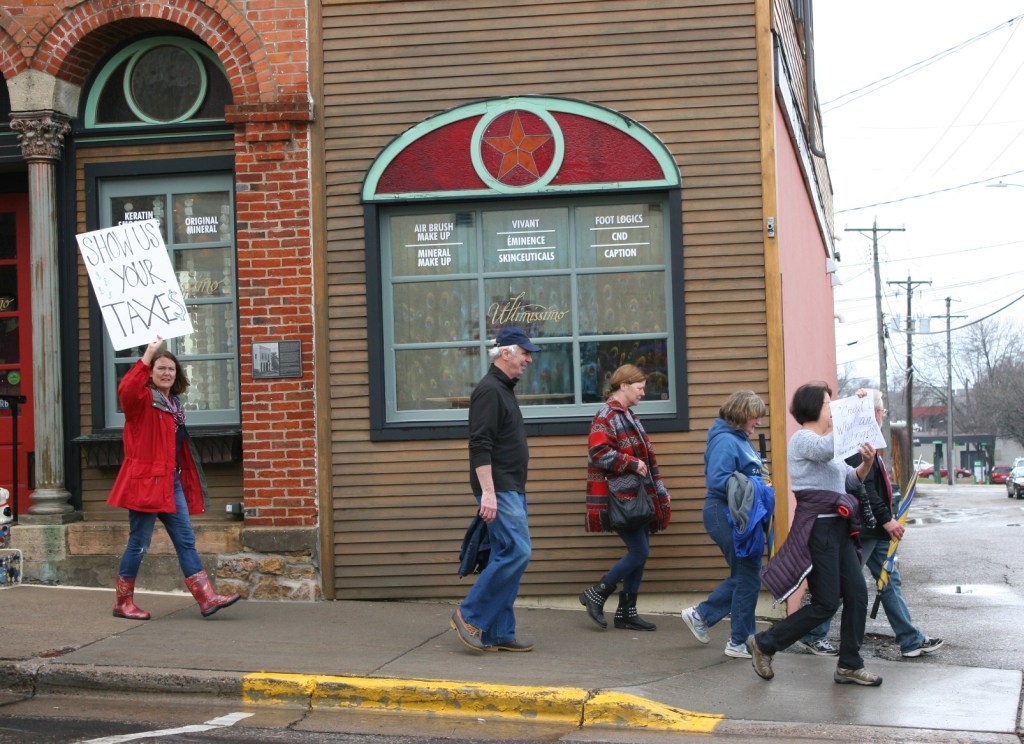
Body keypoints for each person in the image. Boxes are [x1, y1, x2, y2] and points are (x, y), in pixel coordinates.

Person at [749, 382, 883, 686]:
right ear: (812, 407)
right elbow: (826, 451)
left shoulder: (827, 444)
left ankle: (849, 664)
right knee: (825, 603)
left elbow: (849, 481)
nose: (832, 410)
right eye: (828, 404)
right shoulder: (803, 440)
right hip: (819, 528)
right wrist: (855, 410)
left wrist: (866, 464)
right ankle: (765, 643)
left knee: (857, 594)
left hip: (838, 527)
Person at [110, 336, 240, 620]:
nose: (167, 373)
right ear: (150, 373)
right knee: (139, 543)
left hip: (171, 483)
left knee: (185, 539)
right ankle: (123, 602)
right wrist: (148, 354)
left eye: (171, 369)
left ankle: (206, 598)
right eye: (161, 368)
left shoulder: (174, 404)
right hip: (146, 483)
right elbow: (127, 389)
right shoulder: (142, 400)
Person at [450, 327, 539, 652]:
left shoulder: (503, 389)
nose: (529, 359)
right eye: (524, 353)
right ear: (506, 353)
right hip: (499, 489)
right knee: (517, 551)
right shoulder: (489, 390)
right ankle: (469, 615)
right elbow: (480, 444)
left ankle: (499, 632)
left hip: (510, 487)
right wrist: (488, 493)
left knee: (505, 554)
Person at [845, 390, 943, 659]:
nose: (884, 415)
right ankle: (814, 634)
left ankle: (910, 640)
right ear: (875, 413)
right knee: (847, 584)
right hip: (867, 528)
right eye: (883, 411)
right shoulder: (859, 445)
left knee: (889, 581)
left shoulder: (868, 442)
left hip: (874, 529)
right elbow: (865, 488)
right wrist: (887, 519)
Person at [680, 391, 772, 658]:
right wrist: (757, 486)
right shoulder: (726, 441)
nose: (758, 422)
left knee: (747, 575)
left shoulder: (739, 439)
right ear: (742, 415)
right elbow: (718, 480)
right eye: (755, 417)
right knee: (747, 575)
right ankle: (736, 639)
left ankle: (727, 629)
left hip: (738, 515)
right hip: (723, 514)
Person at [580, 365, 671, 631]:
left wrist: (660, 490)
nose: (643, 393)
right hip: (622, 498)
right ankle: (597, 592)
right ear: (624, 386)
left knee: (640, 553)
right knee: (639, 551)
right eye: (640, 388)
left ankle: (626, 613)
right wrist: (631, 463)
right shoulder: (606, 415)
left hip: (635, 496)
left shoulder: (627, 415)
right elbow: (598, 452)